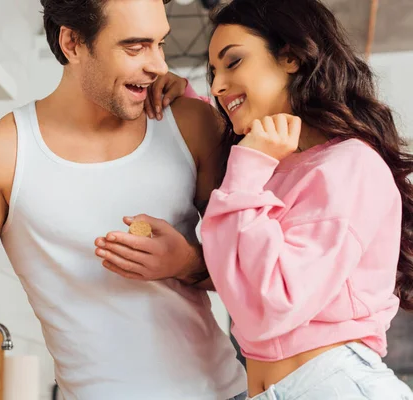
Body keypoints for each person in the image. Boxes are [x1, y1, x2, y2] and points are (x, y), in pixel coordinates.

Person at [0, 0, 248, 399]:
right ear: (72, 43)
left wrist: (187, 263)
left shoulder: (191, 125)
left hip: (222, 392)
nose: (159, 65)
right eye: (135, 46)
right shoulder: (2, 152)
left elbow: (252, 271)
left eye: (160, 43)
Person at [112, 0, 413, 398]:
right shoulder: (273, 170)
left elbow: (271, 306)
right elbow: (244, 271)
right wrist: (185, 97)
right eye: (213, 72)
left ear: (290, 57)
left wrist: (249, 164)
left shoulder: (349, 165)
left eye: (233, 62)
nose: (217, 85)